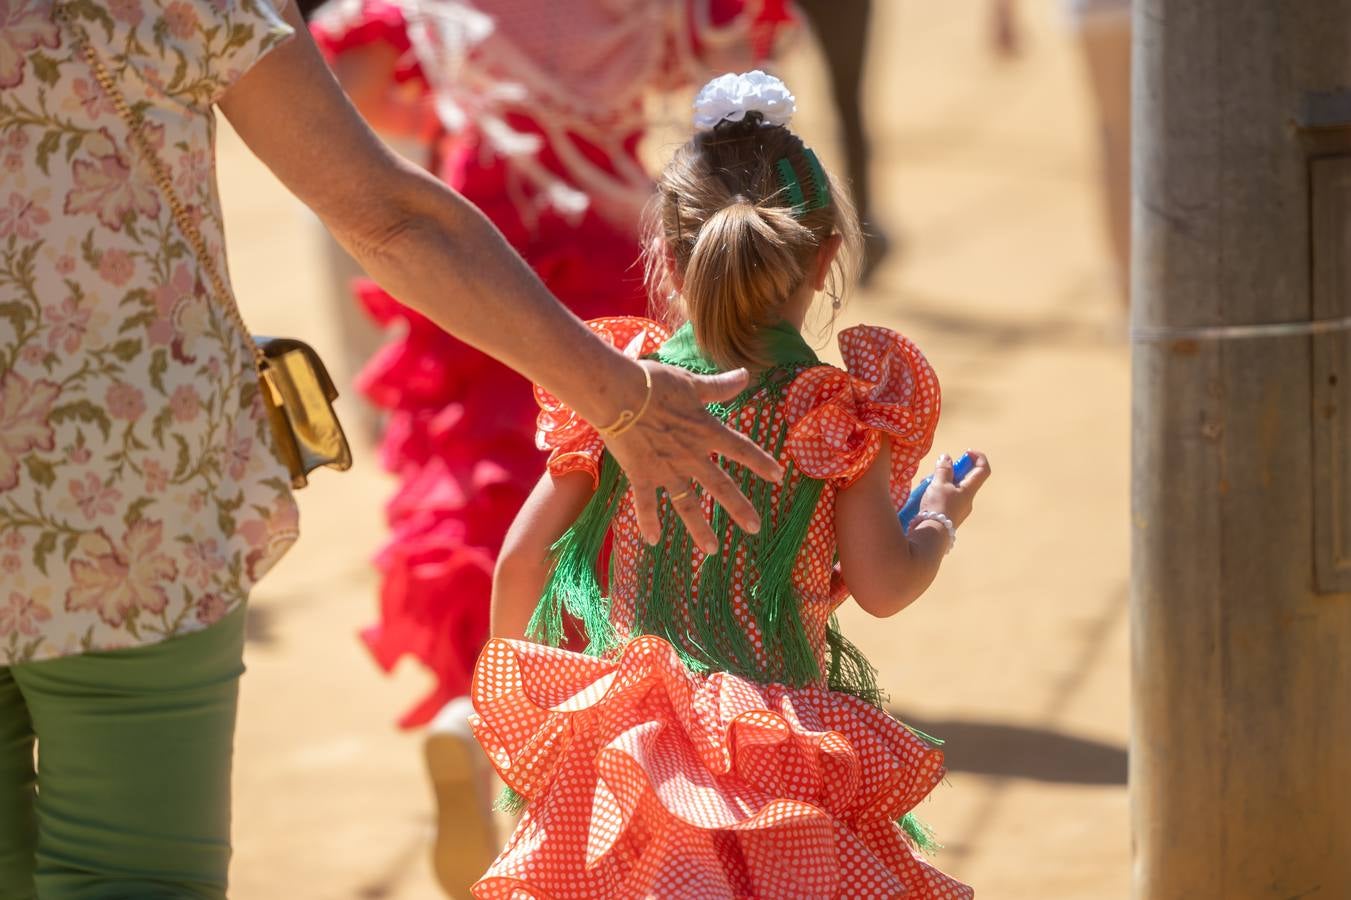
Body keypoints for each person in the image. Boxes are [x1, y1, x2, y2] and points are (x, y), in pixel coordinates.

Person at [0, 3, 783, 896]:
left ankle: (469, 702)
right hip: (126, 504)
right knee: (126, 875)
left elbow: (371, 77)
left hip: (492, 229)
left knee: (470, 494)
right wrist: (625, 398)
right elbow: (384, 212)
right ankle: (541, 742)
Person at [468, 71, 989, 897]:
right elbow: (884, 585)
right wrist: (938, 515)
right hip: (777, 756)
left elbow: (522, 562)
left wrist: (524, 705)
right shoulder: (831, 413)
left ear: (670, 259)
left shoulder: (621, 397)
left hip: (633, 752)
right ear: (825, 258)